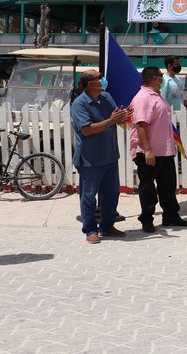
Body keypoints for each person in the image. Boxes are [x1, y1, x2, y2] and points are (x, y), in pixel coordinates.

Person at [130, 66, 187, 233]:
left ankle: (171, 215)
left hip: (164, 150)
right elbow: (141, 125)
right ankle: (147, 219)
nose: (162, 79)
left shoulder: (157, 96)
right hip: (149, 152)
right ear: (154, 78)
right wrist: (148, 150)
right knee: (148, 188)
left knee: (167, 186)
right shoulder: (143, 97)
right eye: (160, 76)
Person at [70, 70, 130, 244]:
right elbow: (87, 130)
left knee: (112, 193)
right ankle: (90, 229)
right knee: (89, 196)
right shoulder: (79, 104)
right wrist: (111, 120)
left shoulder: (106, 97)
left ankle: (107, 225)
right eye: (98, 78)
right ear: (90, 84)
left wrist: (122, 116)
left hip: (109, 155)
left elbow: (116, 120)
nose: (102, 80)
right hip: (90, 159)